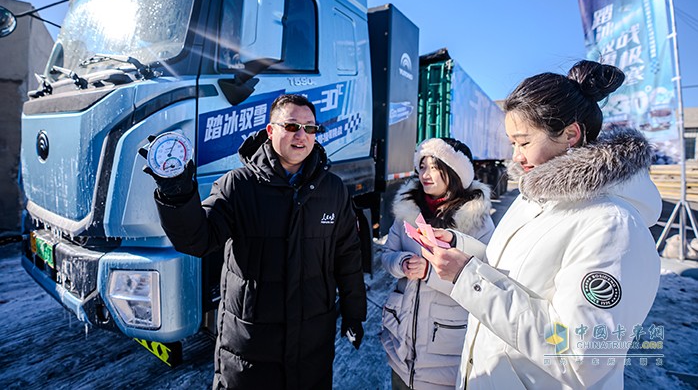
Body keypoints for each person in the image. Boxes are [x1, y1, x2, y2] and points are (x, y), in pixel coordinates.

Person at [422, 60, 662, 389]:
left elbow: (579, 355)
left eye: (523, 142)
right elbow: (515, 273)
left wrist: (468, 279)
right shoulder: (533, 197)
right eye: (512, 144)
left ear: (570, 135)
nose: (516, 156)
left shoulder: (612, 226)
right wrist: (459, 247)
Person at [144, 94, 367, 389]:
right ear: (270, 131)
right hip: (250, 351)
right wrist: (177, 194)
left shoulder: (334, 190)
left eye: (310, 128)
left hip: (311, 347)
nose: (302, 135)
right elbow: (198, 241)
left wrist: (354, 312)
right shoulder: (238, 185)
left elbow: (347, 256)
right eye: (291, 126)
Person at [381, 137, 495, 390]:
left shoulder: (478, 222)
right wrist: (402, 262)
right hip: (401, 345)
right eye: (422, 166)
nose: (425, 174)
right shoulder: (408, 213)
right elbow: (387, 256)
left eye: (435, 166)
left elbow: (487, 280)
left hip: (445, 349)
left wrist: (429, 272)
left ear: (455, 172)